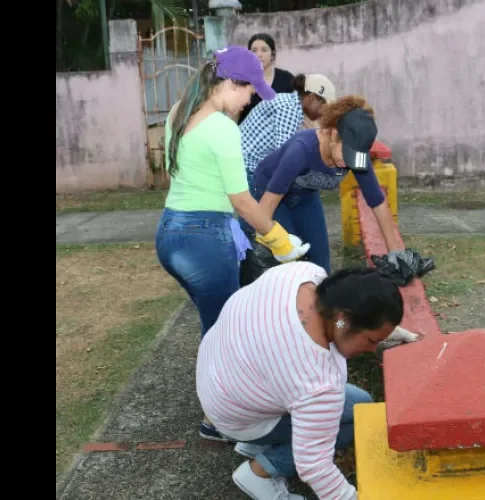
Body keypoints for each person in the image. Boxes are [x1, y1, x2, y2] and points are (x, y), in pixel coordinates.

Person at [155, 45, 310, 443]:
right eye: (248, 91)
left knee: (215, 326)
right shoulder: (222, 127)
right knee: (223, 334)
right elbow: (241, 200)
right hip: (205, 240)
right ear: (230, 83)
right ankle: (219, 420)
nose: (250, 100)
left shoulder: (179, 114)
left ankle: (220, 410)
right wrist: (280, 241)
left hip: (171, 234)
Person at [195, 263, 408, 500]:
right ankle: (259, 472)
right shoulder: (318, 381)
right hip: (236, 414)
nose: (372, 349)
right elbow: (315, 465)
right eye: (370, 340)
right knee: (349, 428)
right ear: (344, 319)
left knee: (362, 405)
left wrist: (382, 332)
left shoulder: (302, 274)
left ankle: (258, 443)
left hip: (221, 368)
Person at [249, 95, 405, 274]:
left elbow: (378, 202)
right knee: (289, 265)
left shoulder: (356, 158)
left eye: (354, 158)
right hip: (270, 194)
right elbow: (267, 204)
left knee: (321, 269)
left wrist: (395, 252)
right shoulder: (302, 150)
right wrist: (271, 238)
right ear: (333, 133)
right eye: (346, 153)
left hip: (305, 196)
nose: (348, 163)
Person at [239, 73, 337, 193]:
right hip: (247, 170)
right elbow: (285, 158)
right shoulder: (289, 110)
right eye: (323, 106)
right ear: (311, 98)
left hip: (248, 166)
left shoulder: (290, 104)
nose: (323, 113)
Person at [238, 33, 295, 124]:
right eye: (254, 51)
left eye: (264, 50)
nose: (259, 55)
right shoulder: (241, 81)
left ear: (272, 54)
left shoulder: (287, 79)